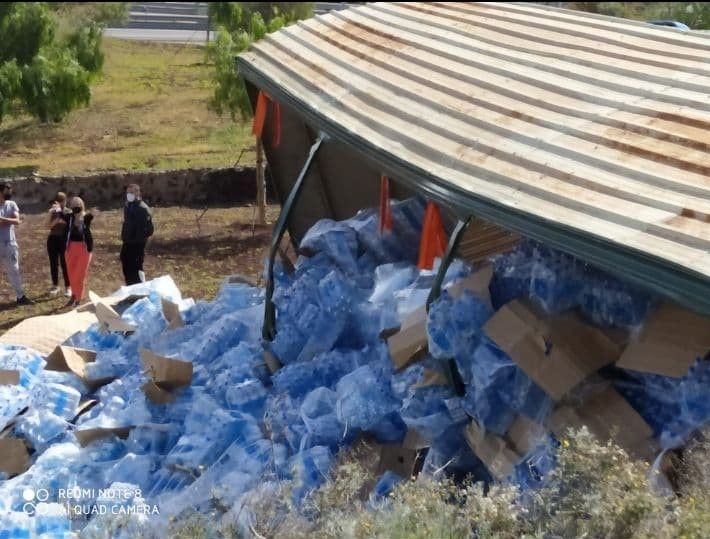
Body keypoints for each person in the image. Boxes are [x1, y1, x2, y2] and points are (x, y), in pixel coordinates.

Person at [0, 182, 31, 306]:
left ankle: (20, 296)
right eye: (6, 191)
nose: (9, 194)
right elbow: (13, 221)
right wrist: (9, 220)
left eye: (10, 191)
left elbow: (17, 221)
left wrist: (2, 219)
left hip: (10, 244)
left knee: (14, 270)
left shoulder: (12, 204)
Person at [120, 184, 153, 285]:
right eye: (128, 193)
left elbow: (149, 230)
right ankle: (130, 286)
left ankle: (140, 289)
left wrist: (138, 239)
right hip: (127, 241)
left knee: (136, 268)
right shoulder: (128, 206)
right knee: (124, 260)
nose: (129, 195)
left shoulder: (143, 209)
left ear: (138, 193)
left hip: (137, 243)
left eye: (131, 192)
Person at [65, 197, 94, 308]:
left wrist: (91, 214)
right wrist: (58, 209)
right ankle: (74, 294)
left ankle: (78, 299)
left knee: (80, 275)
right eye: (74, 204)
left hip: (84, 248)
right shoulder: (69, 217)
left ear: (82, 205)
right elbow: (60, 214)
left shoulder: (85, 217)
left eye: (78, 203)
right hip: (70, 248)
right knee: (71, 274)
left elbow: (89, 218)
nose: (76, 205)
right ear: (71, 206)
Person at [47, 192, 72, 297]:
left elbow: (69, 224)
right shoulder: (53, 212)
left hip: (64, 240)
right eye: (58, 201)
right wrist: (54, 216)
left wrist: (61, 214)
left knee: (65, 263)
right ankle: (55, 285)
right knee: (53, 263)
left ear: (65, 201)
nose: (60, 203)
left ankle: (68, 287)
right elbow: (49, 225)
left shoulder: (69, 211)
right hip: (52, 239)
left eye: (62, 201)